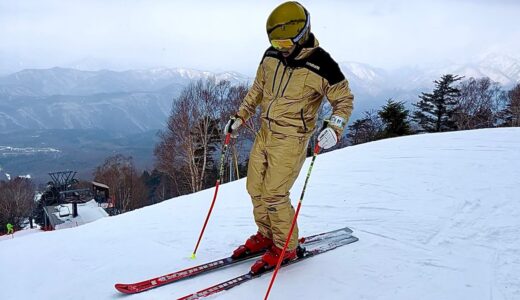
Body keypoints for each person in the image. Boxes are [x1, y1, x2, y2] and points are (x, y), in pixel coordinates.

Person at [224, 1, 354, 274]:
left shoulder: (322, 64)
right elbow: (257, 89)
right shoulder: (271, 55)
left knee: (273, 195)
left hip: (292, 138)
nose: (281, 49)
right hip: (265, 132)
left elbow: (344, 101)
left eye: (286, 43)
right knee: (255, 188)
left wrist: (334, 127)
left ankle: (286, 246)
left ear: (301, 34)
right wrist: (241, 116)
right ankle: (266, 235)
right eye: (277, 43)